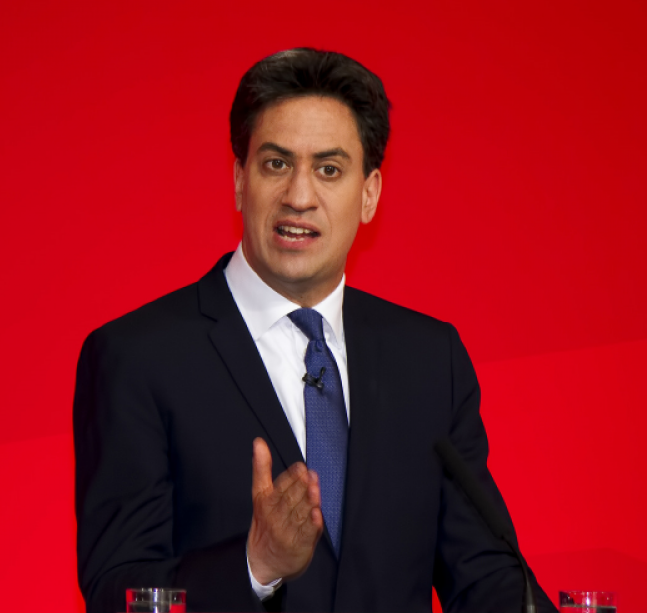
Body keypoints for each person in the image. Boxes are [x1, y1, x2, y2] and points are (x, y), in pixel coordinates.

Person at [73, 48, 554, 613]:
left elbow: (485, 574)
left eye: (329, 169)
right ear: (238, 180)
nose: (300, 197)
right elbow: (119, 594)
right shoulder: (139, 358)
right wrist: (256, 565)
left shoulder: (429, 361)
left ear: (369, 193)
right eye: (276, 164)